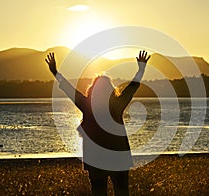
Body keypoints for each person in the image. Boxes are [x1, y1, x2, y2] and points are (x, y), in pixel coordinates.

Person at [45, 50, 150, 196]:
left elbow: (70, 90)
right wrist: (141, 70)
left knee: (100, 192)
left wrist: (55, 72)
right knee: (121, 192)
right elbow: (132, 88)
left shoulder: (88, 105)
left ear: (93, 90)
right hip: (117, 158)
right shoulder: (116, 104)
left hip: (96, 159)